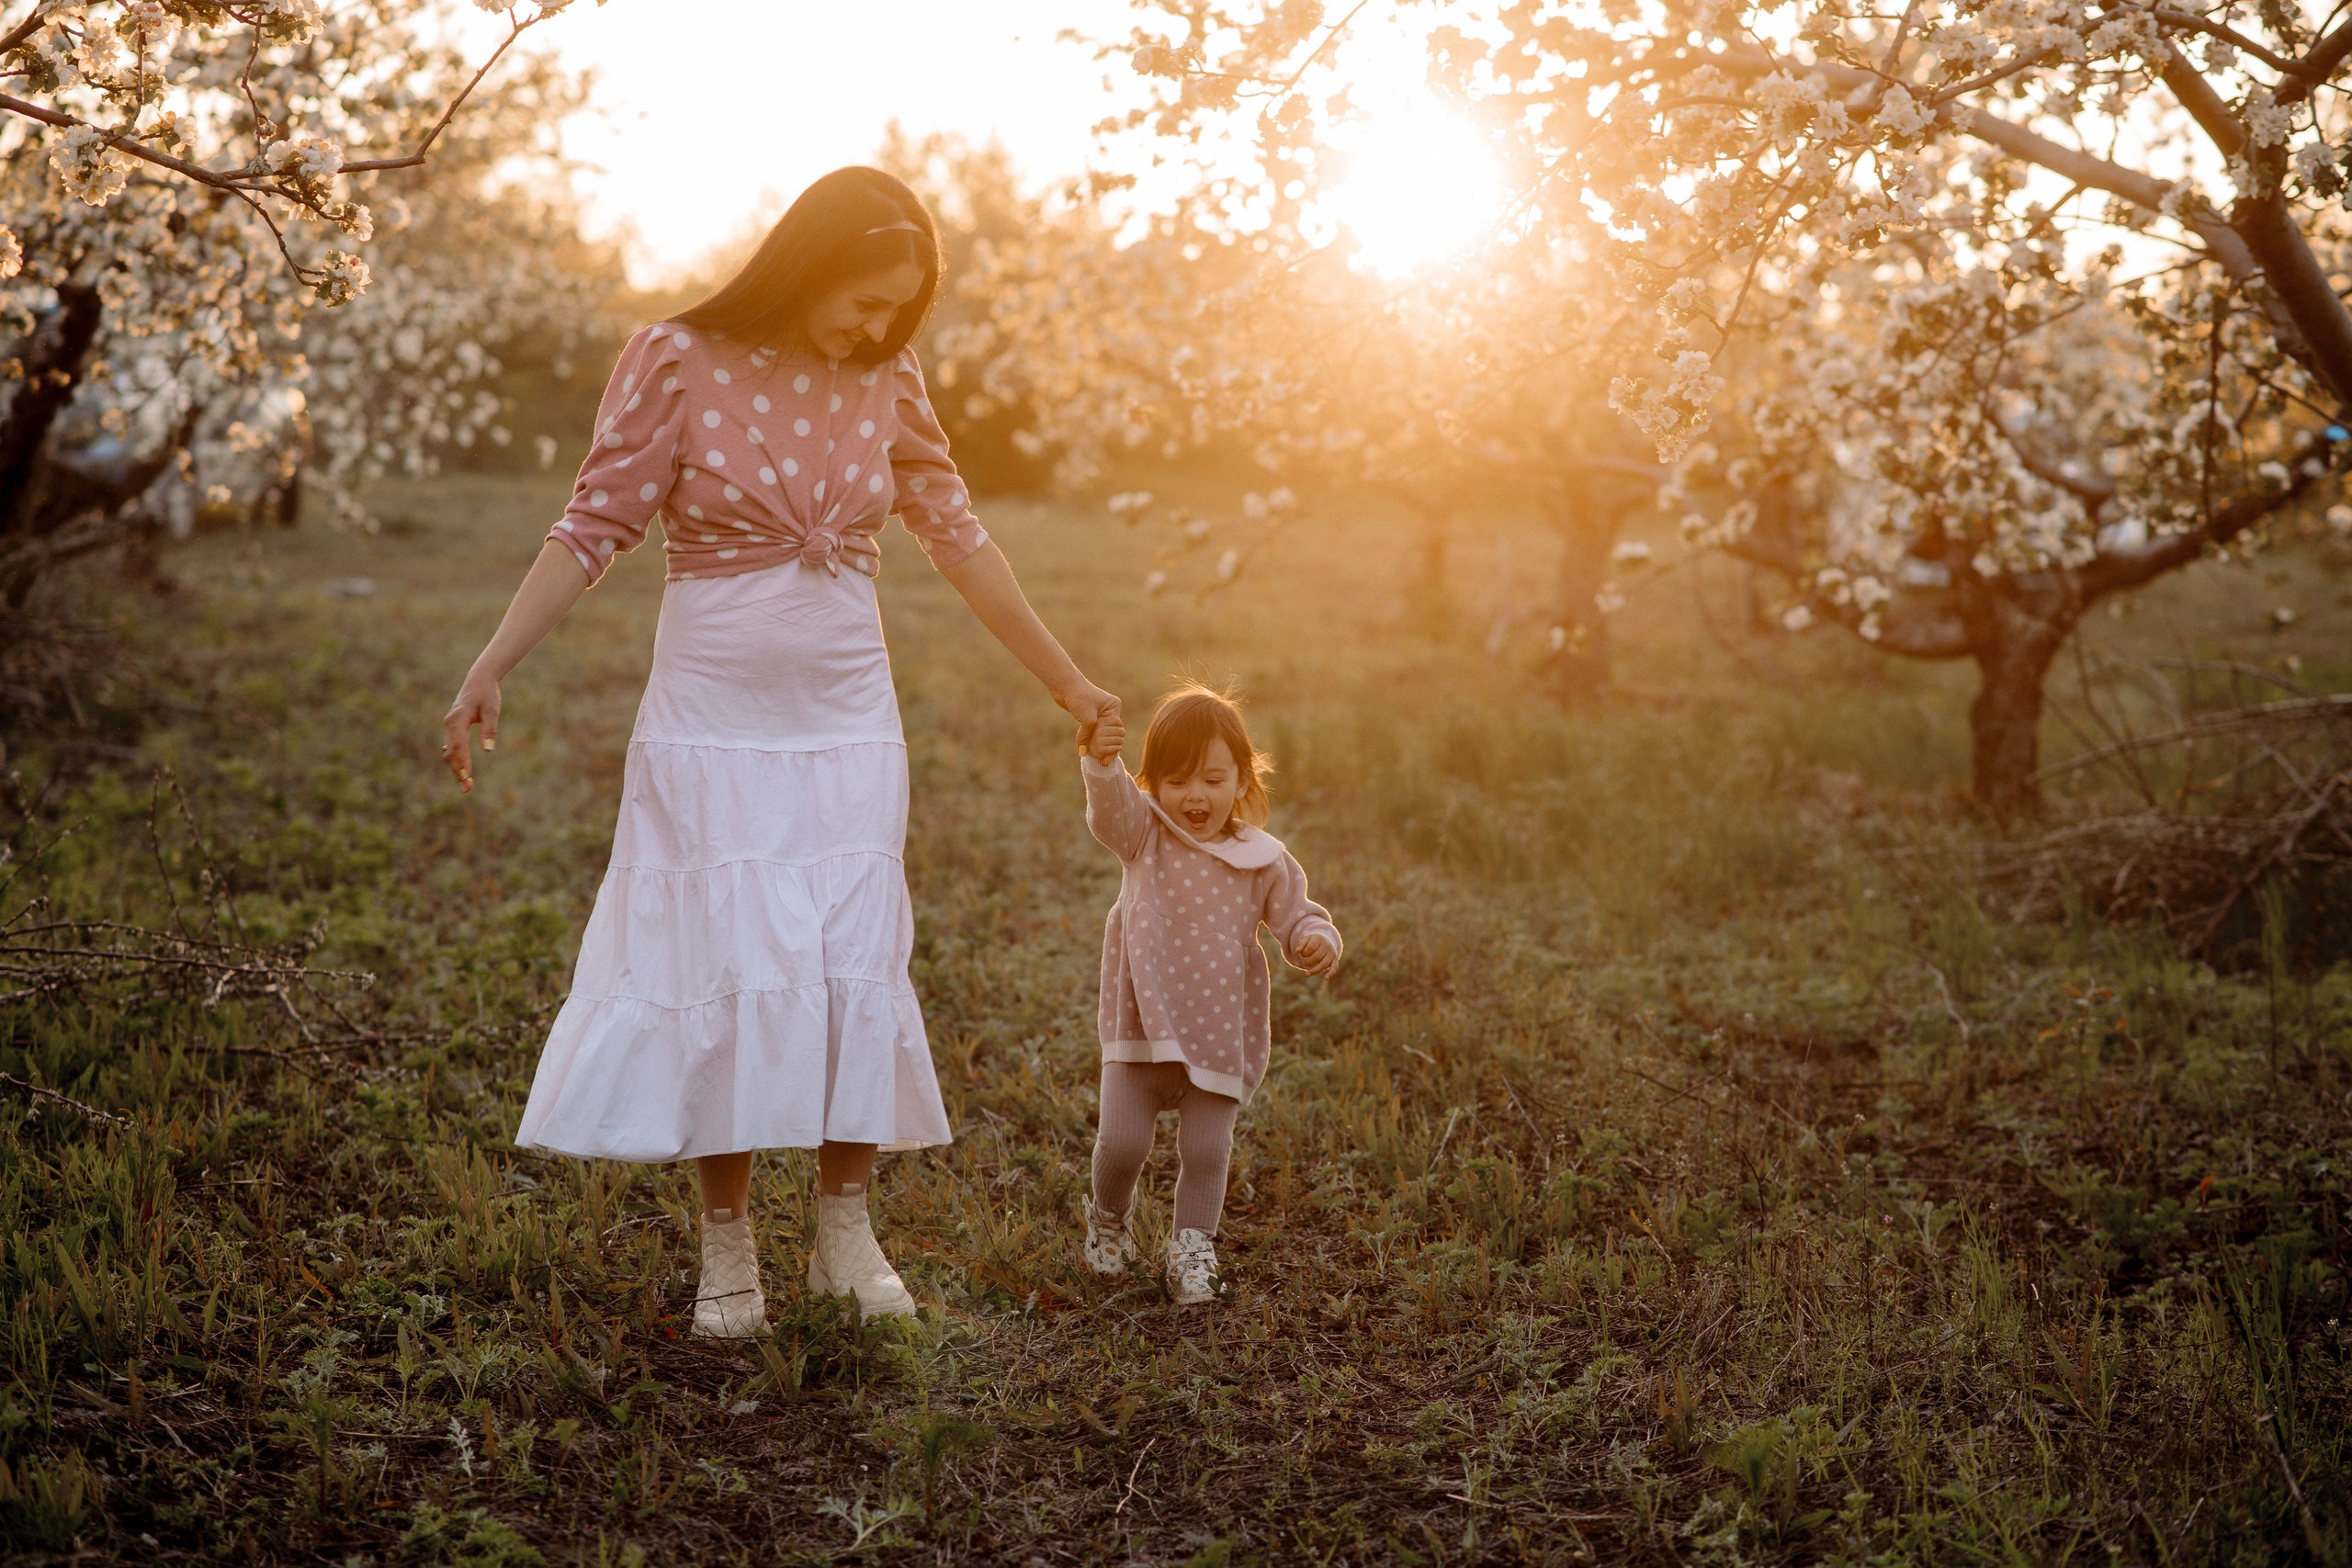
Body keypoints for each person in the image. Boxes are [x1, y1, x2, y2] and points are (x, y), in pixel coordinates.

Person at [439, 167, 1120, 1335]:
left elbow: (960, 538)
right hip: (712, 713)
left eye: (899, 311)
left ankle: (846, 1237)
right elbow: (594, 521)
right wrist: (492, 659)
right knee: (727, 959)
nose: (879, 328)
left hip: (848, 710)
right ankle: (729, 1253)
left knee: (852, 949)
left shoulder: (887, 379)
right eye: (866, 302)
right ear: (808, 266)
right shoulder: (675, 358)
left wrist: (1067, 678)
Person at [1076, 682, 1342, 1303]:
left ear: (1243, 780)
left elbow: (1295, 914)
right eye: (1176, 780)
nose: (1195, 795)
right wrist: (1100, 761)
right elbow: (1110, 810)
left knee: (1205, 1148)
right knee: (1122, 1142)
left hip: (1218, 1028)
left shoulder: (1262, 859)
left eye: (1213, 779)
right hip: (1142, 1018)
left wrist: (1313, 936)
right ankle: (1109, 1221)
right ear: (1153, 784)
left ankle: (1192, 1245)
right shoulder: (1145, 831)